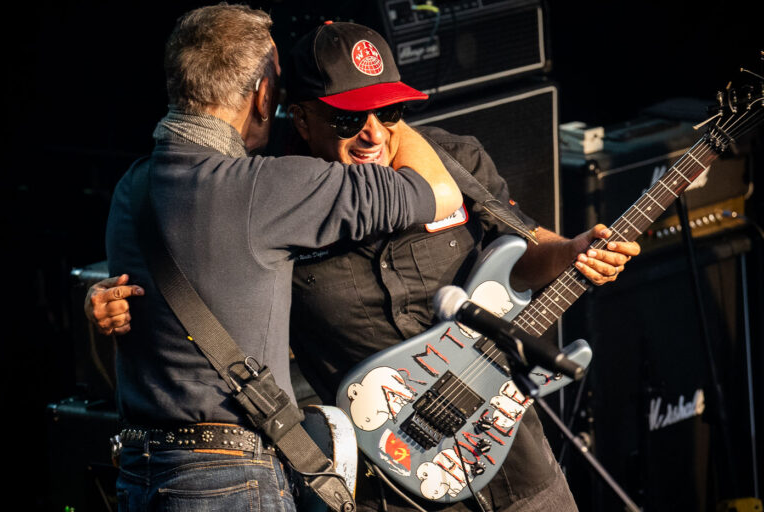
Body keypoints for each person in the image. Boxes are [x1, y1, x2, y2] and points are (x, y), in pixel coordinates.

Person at [89, 20, 639, 512]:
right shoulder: (275, 196)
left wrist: (571, 252)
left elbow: (522, 256)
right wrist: (110, 314)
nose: (375, 132)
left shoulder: (452, 155)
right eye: (350, 117)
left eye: (391, 111)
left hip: (512, 458)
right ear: (297, 116)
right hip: (390, 483)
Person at [103, 6, 463, 512]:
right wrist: (386, 115)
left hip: (139, 474)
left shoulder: (130, 190)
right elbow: (437, 192)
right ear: (262, 95)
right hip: (230, 479)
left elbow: (132, 309)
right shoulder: (267, 188)